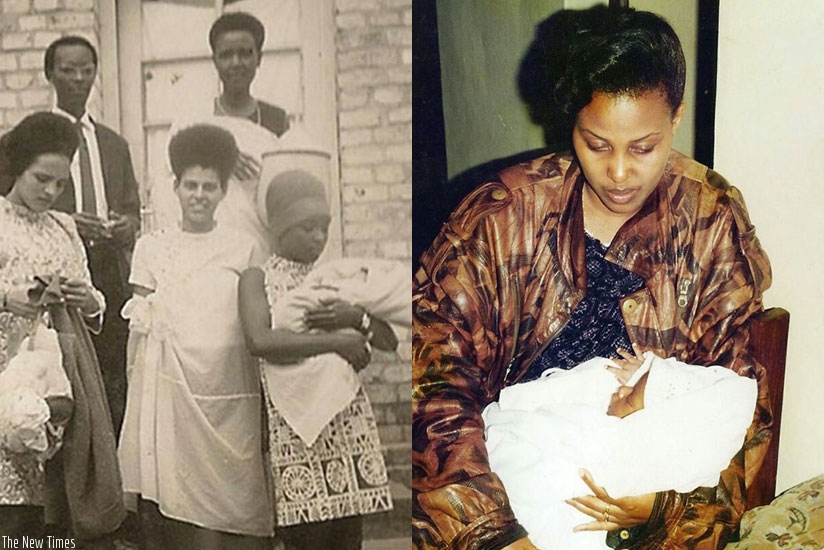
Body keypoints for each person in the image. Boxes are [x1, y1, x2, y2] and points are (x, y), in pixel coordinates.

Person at [412, 6, 772, 550]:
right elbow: (432, 389)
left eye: (644, 147)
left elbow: (740, 403)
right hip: (505, 490)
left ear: (676, 117)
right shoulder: (500, 218)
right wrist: (496, 534)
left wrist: (662, 510)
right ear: (571, 124)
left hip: (647, 492)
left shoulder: (710, 220)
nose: (619, 173)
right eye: (597, 144)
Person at [117, 124, 272, 549]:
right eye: (190, 185)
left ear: (223, 191)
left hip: (231, 393)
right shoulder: (151, 248)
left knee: (240, 512)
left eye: (209, 186)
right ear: (176, 187)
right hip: (173, 394)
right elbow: (138, 335)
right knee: (183, 510)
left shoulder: (244, 247)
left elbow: (256, 319)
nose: (199, 195)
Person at [238, 169, 395, 550]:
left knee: (347, 537)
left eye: (323, 228)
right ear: (279, 227)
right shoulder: (257, 279)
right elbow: (260, 340)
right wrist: (337, 342)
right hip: (294, 428)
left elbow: (388, 340)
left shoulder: (335, 277)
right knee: (307, 537)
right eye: (307, 228)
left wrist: (355, 316)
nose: (319, 238)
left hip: (345, 422)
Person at [483, 352, 758, 549]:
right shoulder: (603, 402)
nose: (620, 391)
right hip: (497, 511)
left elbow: (726, 498)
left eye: (630, 398)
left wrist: (660, 506)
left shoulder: (619, 443)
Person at [0, 112, 125, 543]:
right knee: (11, 509)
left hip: (59, 379)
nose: (51, 192)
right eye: (41, 179)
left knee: (58, 508)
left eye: (60, 183)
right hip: (6, 371)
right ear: (18, 167)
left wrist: (86, 299)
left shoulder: (65, 227)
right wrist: (6, 299)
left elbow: (94, 304)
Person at [44, 35, 141, 439]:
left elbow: (133, 208)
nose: (78, 79)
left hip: (109, 272)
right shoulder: (35, 137)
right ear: (50, 74)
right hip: (58, 273)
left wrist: (125, 226)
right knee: (64, 377)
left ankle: (113, 470)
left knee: (113, 376)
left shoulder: (113, 144)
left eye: (86, 71)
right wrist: (67, 222)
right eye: (68, 70)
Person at [209, 11, 290, 138]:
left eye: (245, 54)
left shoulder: (277, 120)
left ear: (259, 58)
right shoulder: (202, 120)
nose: (236, 63)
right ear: (215, 61)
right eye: (226, 55)